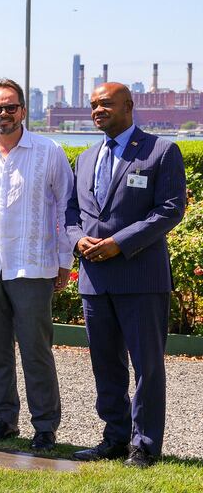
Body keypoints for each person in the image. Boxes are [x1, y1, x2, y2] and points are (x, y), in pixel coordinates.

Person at [67, 83, 186, 468]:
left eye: (105, 104)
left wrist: (119, 242)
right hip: (95, 280)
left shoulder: (160, 151)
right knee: (106, 365)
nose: (97, 110)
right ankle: (115, 438)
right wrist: (76, 240)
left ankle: (145, 445)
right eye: (93, 105)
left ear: (129, 106)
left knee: (147, 367)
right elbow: (72, 213)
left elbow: (170, 209)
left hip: (140, 278)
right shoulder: (85, 158)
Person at [0, 78, 72, 452]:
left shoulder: (48, 150)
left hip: (32, 267)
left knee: (36, 351)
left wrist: (63, 259)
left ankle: (45, 428)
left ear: (23, 111)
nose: (3, 114)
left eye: (10, 107)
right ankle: (3, 421)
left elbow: (65, 208)